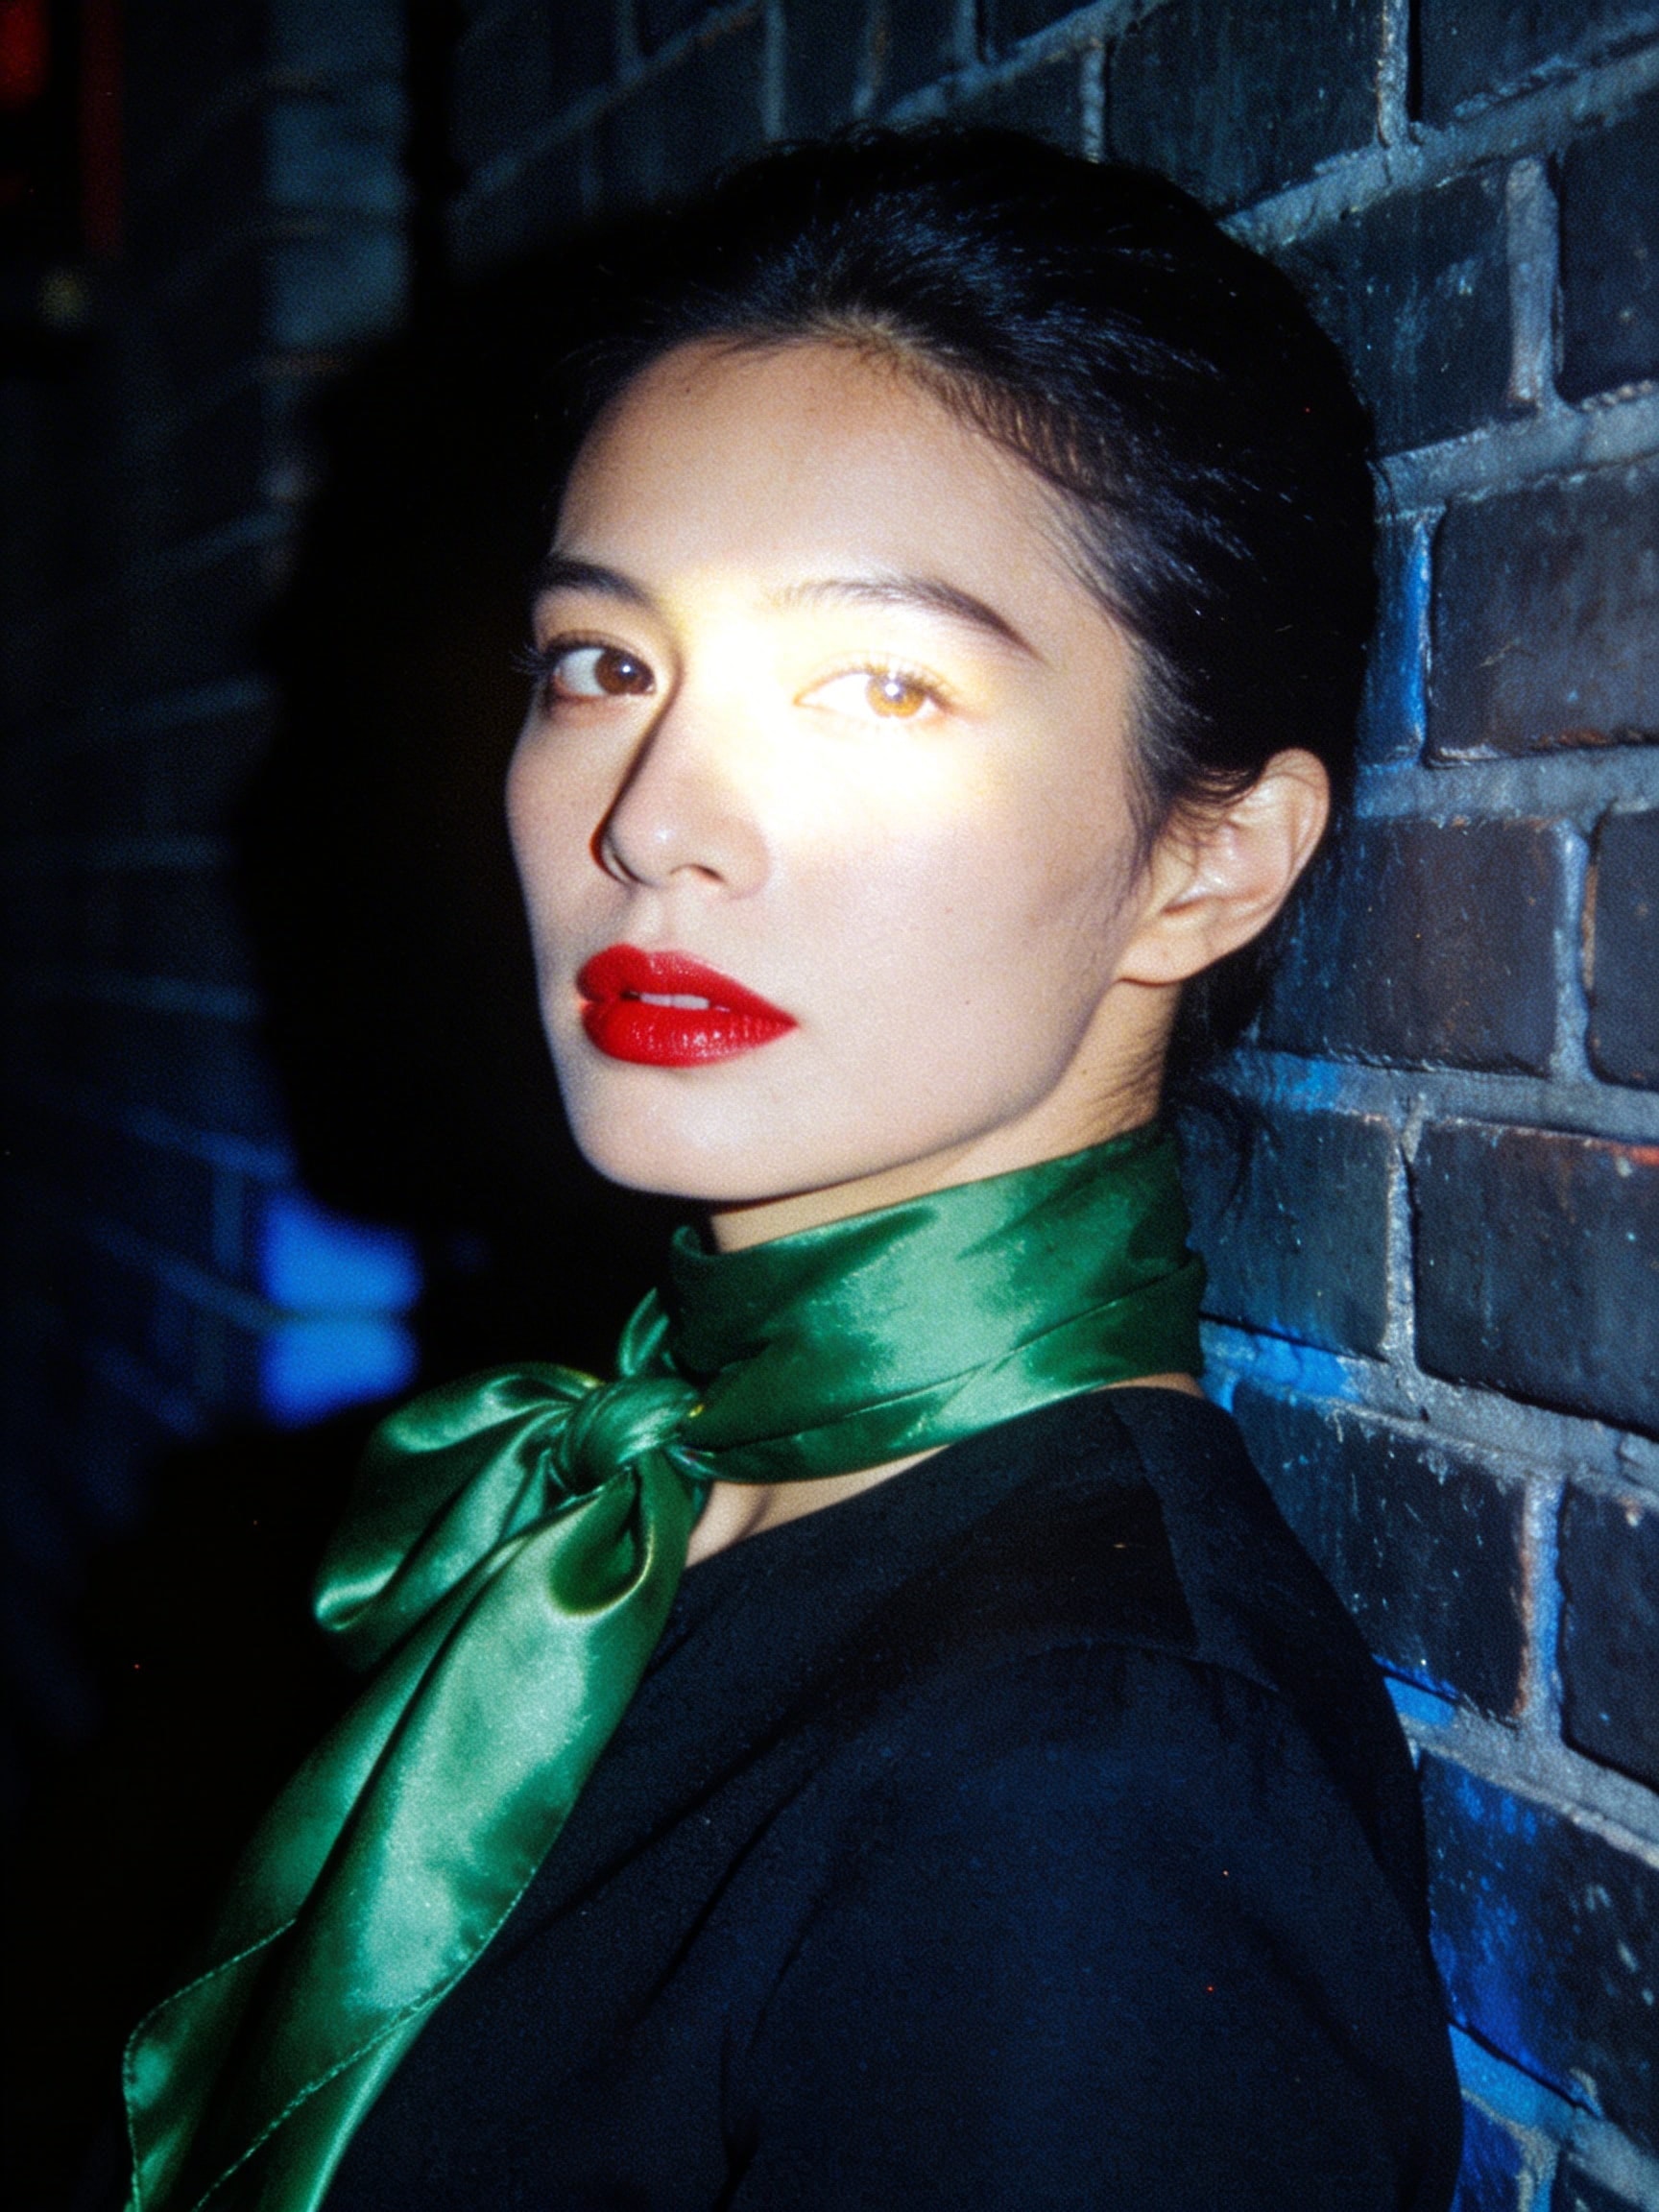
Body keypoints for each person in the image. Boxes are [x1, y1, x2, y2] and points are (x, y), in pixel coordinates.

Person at [124, 131, 1463, 2210]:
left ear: (1207, 860)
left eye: (876, 686)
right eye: (607, 665)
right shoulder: (611, 1516)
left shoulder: (1091, 1784)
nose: (660, 819)